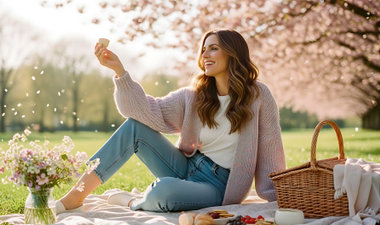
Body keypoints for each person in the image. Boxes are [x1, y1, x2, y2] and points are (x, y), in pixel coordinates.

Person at [55, 29, 286, 213]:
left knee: (163, 192)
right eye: (203, 50)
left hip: (218, 186)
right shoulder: (195, 96)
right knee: (134, 127)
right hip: (185, 165)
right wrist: (120, 71)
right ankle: (76, 195)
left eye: (213, 49)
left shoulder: (257, 96)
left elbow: (270, 144)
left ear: (233, 54)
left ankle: (132, 202)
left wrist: (278, 194)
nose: (204, 55)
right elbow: (145, 112)